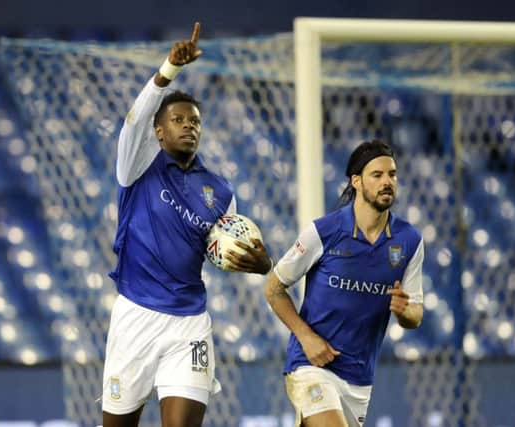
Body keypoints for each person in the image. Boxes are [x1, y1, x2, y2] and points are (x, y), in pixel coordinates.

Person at [102, 22, 272, 427]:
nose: (188, 125)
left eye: (194, 120)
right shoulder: (137, 166)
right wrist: (167, 71)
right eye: (178, 119)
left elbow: (230, 249)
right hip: (135, 316)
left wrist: (262, 263)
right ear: (158, 133)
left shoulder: (221, 190)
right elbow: (134, 121)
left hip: (189, 323)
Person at [263, 140, 424, 427]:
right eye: (378, 175)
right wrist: (306, 337)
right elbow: (273, 288)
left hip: (360, 378)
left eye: (393, 174)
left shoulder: (409, 240)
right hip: (312, 367)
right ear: (357, 181)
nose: (387, 182)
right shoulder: (324, 232)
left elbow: (415, 315)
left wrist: (403, 311)